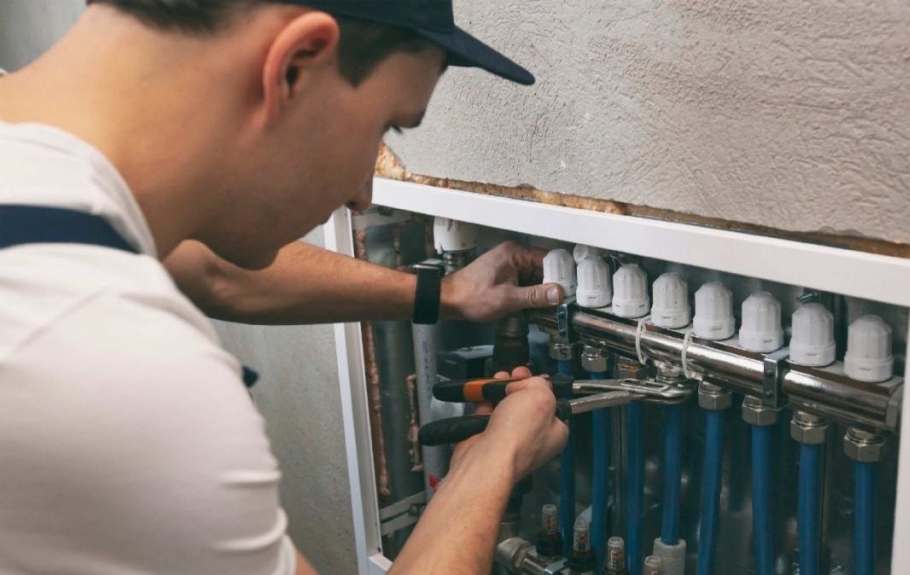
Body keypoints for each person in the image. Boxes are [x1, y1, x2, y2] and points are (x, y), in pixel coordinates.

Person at [0, 1, 569, 574]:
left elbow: (205, 266)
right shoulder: (107, 357)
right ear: (295, 64)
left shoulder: (36, 176)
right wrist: (487, 466)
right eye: (383, 128)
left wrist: (444, 294)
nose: (363, 196)